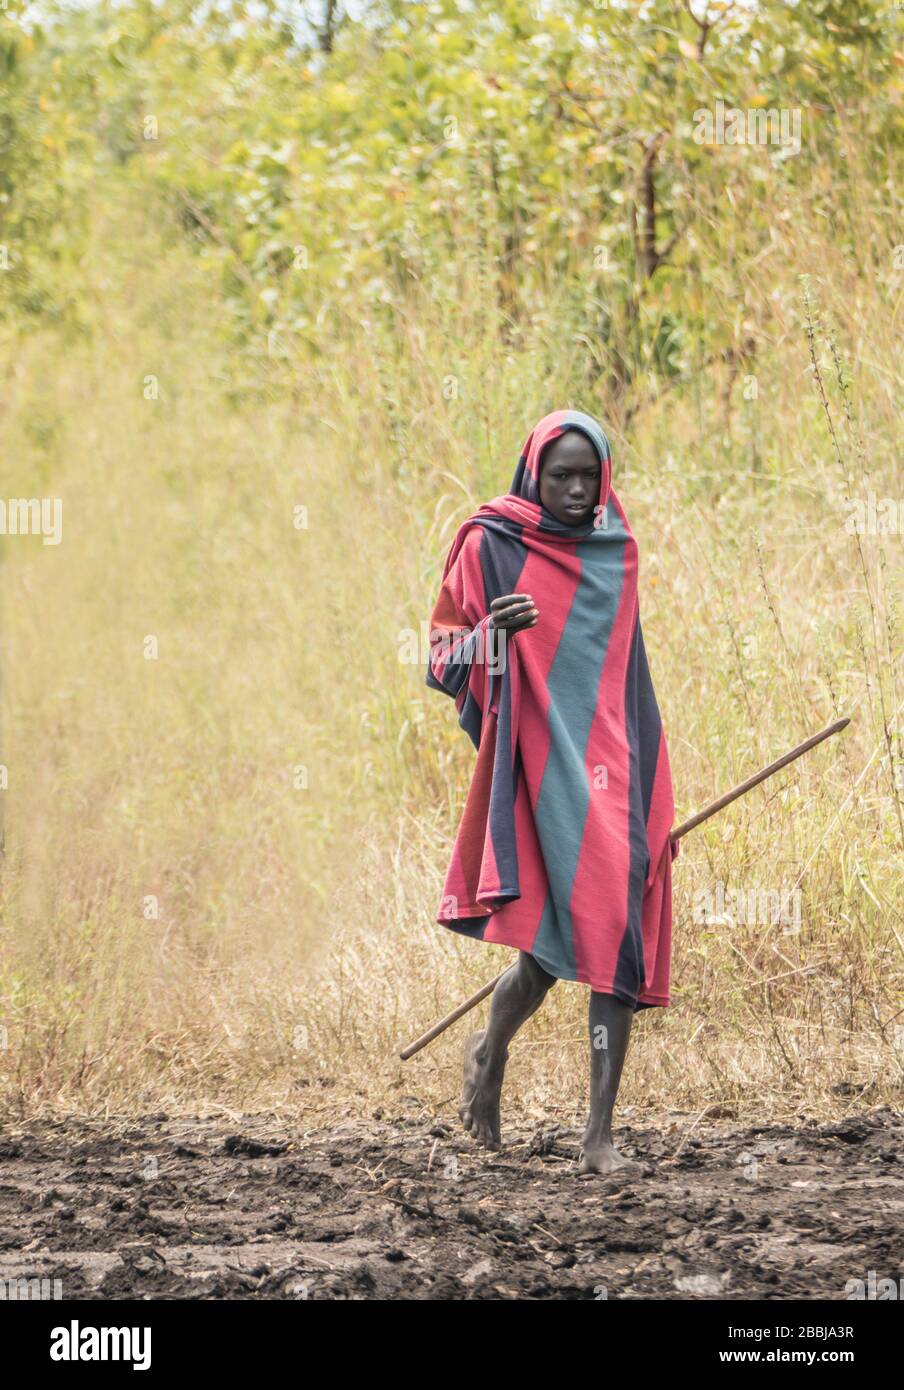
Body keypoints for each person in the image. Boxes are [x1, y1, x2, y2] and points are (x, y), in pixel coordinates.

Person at [425, 410, 678, 1175]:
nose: (575, 490)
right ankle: (490, 1051)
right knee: (545, 950)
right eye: (560, 475)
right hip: (536, 771)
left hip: (619, 761)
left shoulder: (617, 549)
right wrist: (490, 636)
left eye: (588, 475)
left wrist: (648, 784)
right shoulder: (491, 545)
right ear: (533, 473)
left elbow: (622, 671)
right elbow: (439, 661)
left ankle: (598, 1134)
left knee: (616, 939)